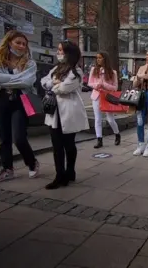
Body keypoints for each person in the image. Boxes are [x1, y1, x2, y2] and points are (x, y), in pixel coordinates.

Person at [0, 30, 40, 183]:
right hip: (1, 99)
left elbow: (27, 82)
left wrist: (5, 80)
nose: (21, 46)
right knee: (4, 138)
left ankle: (32, 162)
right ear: (9, 42)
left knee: (19, 138)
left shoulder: (30, 63)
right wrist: (16, 78)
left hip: (20, 100)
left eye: (24, 44)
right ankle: (7, 169)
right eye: (18, 43)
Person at [41, 40, 89, 189]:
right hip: (54, 112)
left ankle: (70, 171)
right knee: (56, 146)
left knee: (68, 144)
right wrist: (53, 83)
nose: (59, 53)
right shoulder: (56, 68)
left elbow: (65, 88)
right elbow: (44, 81)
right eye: (58, 50)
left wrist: (53, 85)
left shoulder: (76, 71)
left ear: (69, 53)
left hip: (68, 112)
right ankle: (59, 175)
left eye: (61, 50)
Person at [88, 51, 120, 148]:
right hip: (96, 96)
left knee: (110, 119)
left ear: (105, 59)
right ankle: (99, 139)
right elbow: (89, 83)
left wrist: (104, 85)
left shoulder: (112, 72)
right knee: (98, 119)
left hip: (107, 97)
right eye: (97, 58)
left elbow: (115, 87)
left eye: (100, 58)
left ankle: (117, 134)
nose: (98, 59)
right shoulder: (94, 70)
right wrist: (97, 85)